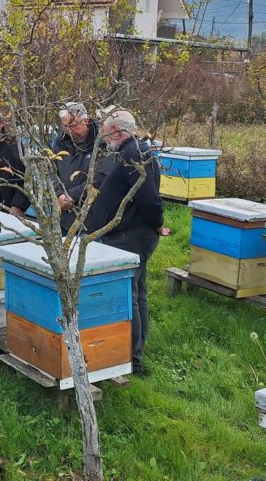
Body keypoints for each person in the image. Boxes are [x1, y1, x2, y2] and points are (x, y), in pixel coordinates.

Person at [85, 109, 162, 376]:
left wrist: (157, 223)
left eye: (106, 133)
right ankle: (134, 353)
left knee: (128, 296)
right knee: (137, 293)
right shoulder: (131, 151)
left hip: (130, 236)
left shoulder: (134, 154)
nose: (104, 139)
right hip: (130, 233)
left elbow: (149, 198)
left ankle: (132, 358)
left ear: (117, 131)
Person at [53, 102, 101, 234]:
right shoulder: (60, 141)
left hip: (90, 218)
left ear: (86, 121)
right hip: (63, 216)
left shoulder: (101, 142)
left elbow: (100, 177)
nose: (69, 131)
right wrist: (59, 194)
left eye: (73, 126)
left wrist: (72, 196)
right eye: (65, 126)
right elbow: (52, 171)